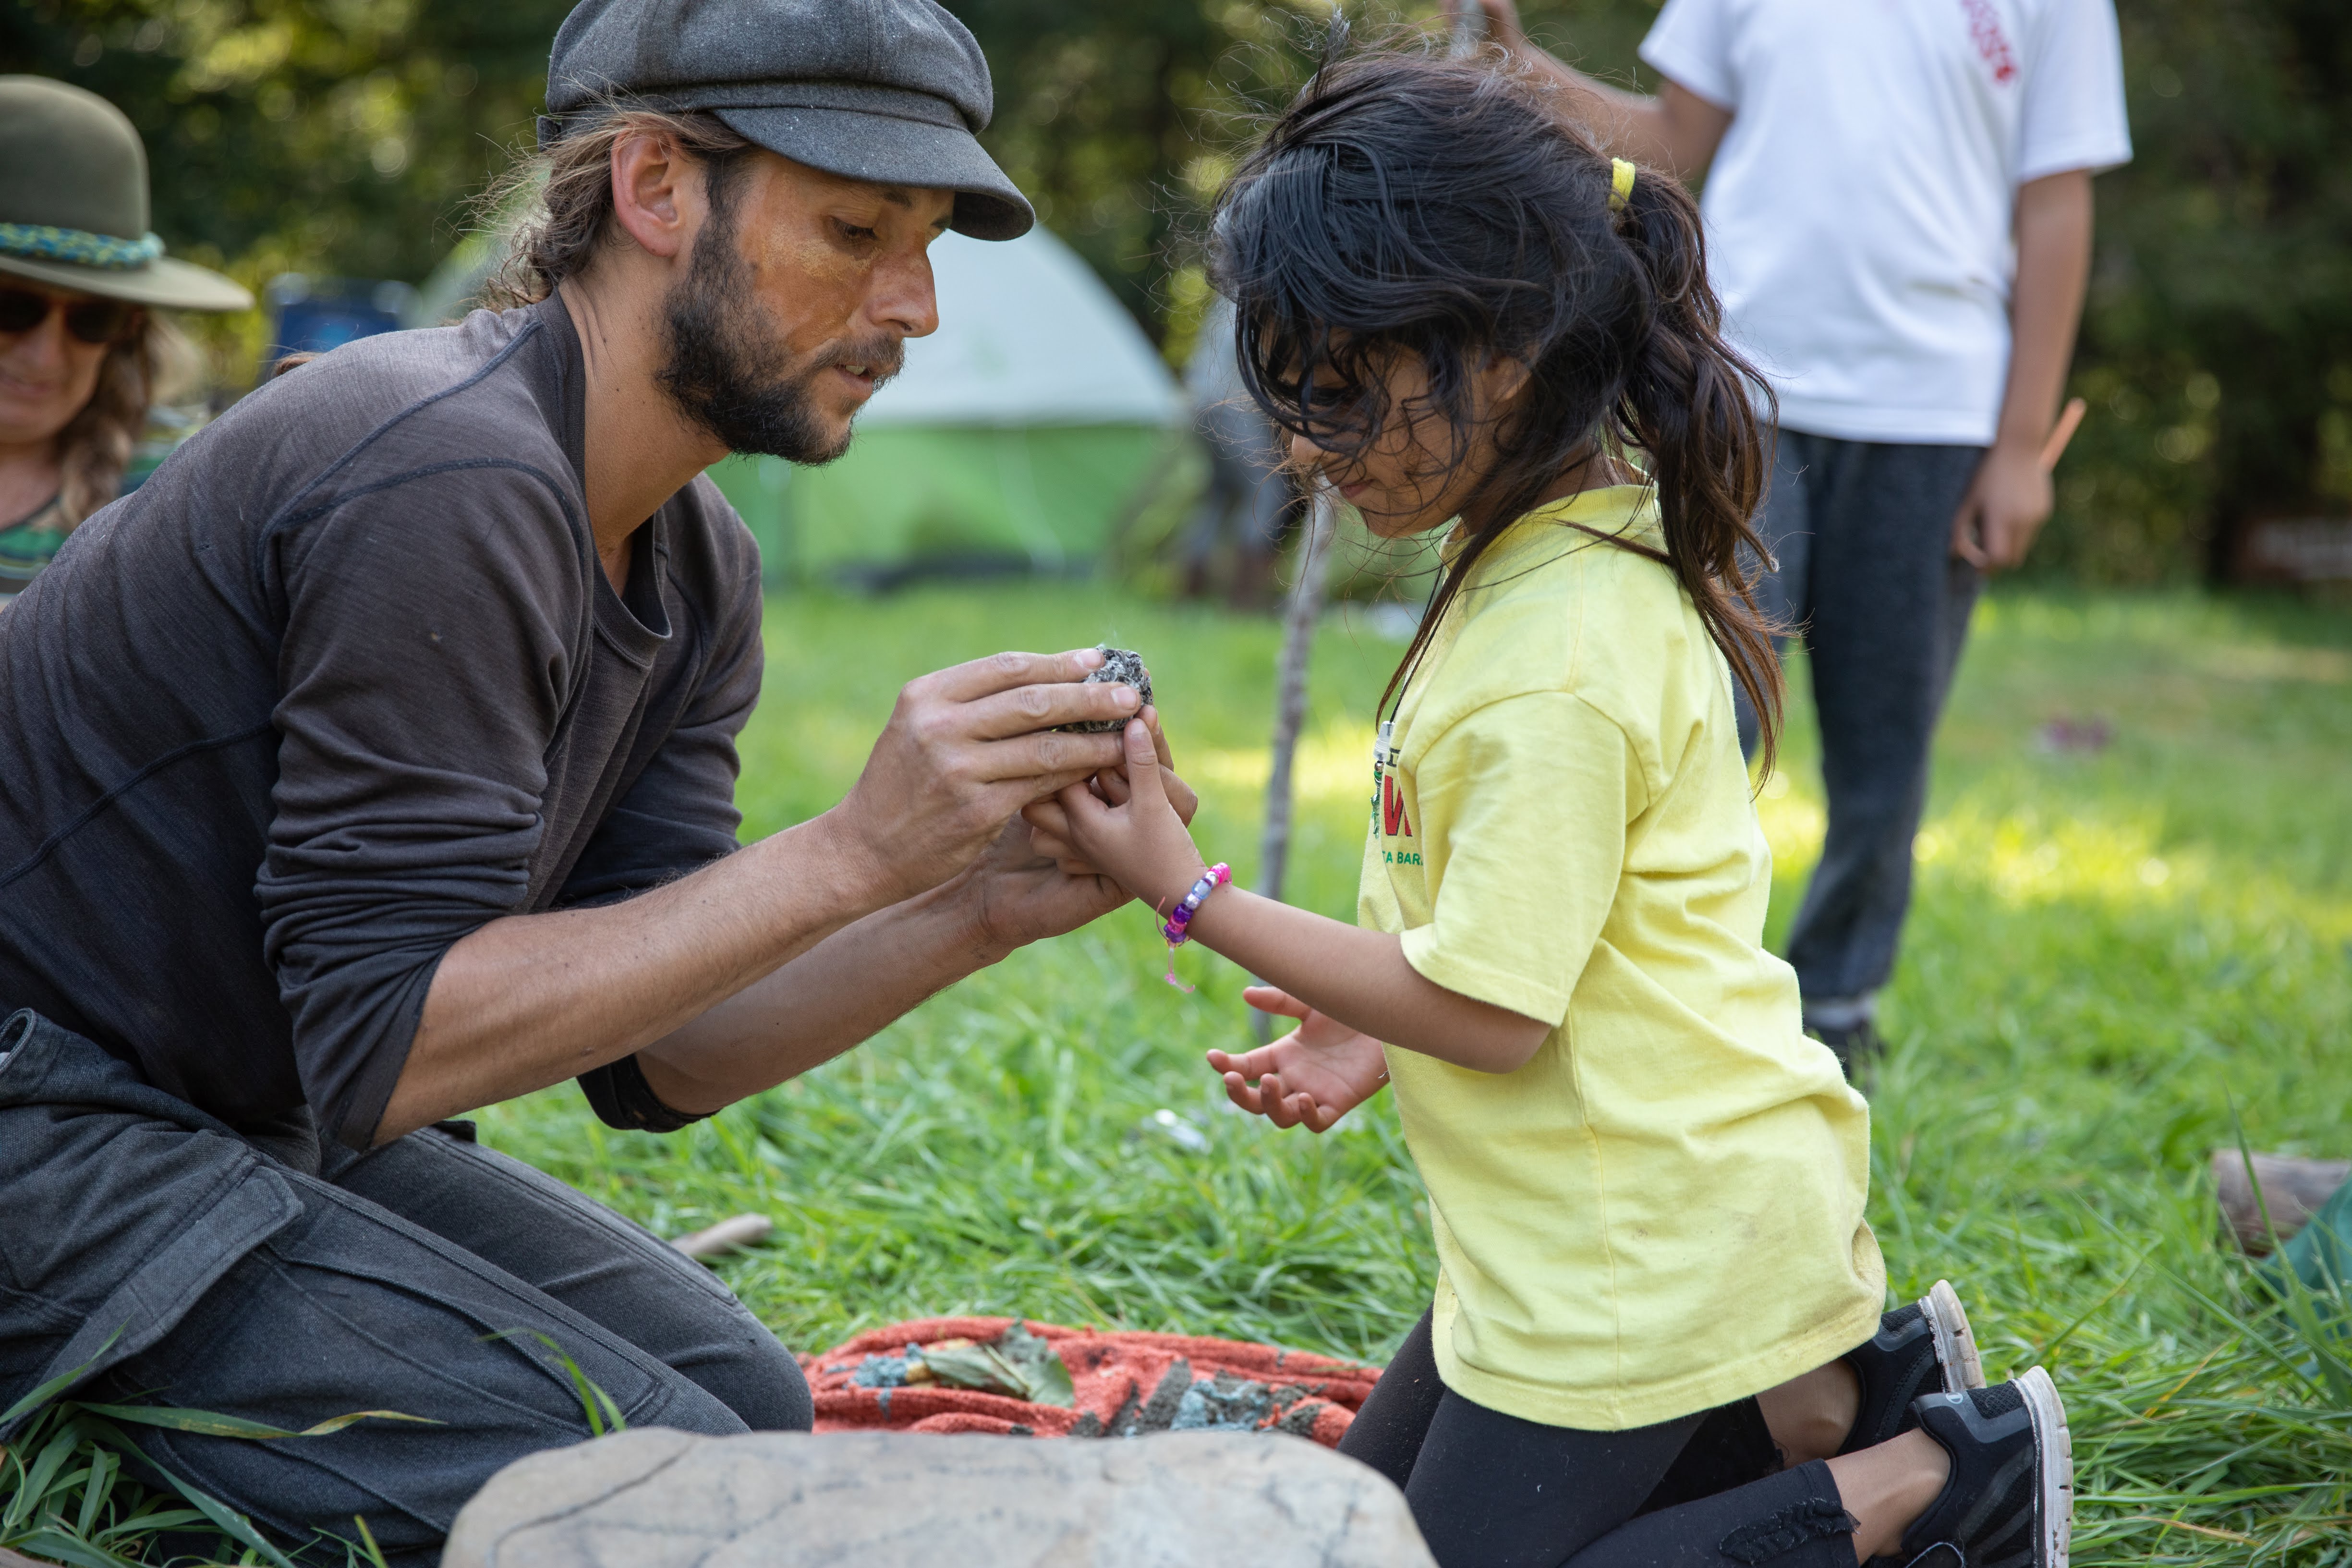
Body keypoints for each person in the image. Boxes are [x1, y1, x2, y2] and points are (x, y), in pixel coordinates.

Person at [0, 0, 1193, 1558]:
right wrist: (848, 849)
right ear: (653, 186)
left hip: (232, 1111)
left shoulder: (699, 562)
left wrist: (970, 902)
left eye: (924, 250)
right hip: (44, 1112)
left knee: (744, 1403)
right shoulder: (443, 471)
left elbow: (660, 1057)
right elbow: (389, 1049)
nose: (911, 307)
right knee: (666, 1491)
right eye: (854, 231)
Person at [1030, 51, 2071, 1568]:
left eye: (1342, 393)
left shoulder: (1557, 656)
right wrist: (1373, 1022)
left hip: (1636, 1252)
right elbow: (1526, 929)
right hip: (1584, 1223)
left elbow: (1494, 1011)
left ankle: (1945, 1478)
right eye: (1294, 393)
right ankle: (1827, 1398)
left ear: (1506, 355)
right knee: (1359, 1529)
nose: (1305, 448)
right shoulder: (1545, 558)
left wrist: (1186, 888)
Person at [1454, 0, 2132, 1070]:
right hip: (1741, 390)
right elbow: (1672, 139)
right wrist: (1518, 63)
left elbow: (2054, 205)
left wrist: (2019, 444)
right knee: (1696, 714)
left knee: (1884, 751)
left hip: (1936, 413)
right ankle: (1668, 988)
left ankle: (1839, 1004)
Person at [0, 76, 250, 604]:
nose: (45, 355)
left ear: (130, 330)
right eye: (13, 308)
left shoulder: (183, 487)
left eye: (95, 318)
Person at [1180, 294, 1297, 606]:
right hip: (1231, 402)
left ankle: (1188, 594)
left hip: (1199, 400)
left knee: (1219, 494)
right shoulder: (1267, 287)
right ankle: (1245, 599)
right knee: (1268, 488)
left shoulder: (1231, 289)